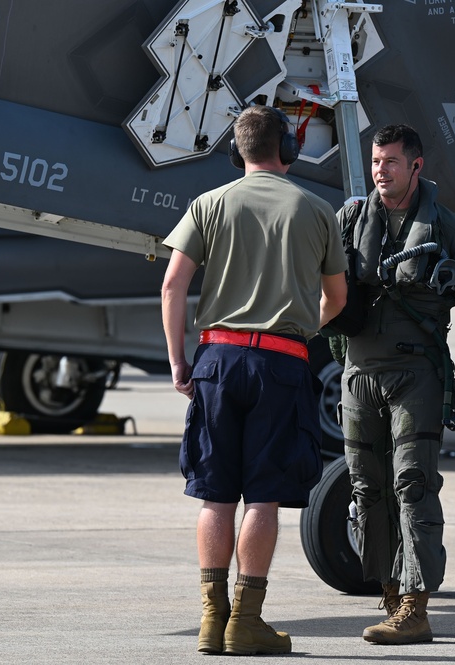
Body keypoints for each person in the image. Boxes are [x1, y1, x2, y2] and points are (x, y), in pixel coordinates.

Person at [161, 105, 348, 656]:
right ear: (287, 149)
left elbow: (174, 286)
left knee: (214, 497)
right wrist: (293, 329)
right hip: (281, 364)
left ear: (237, 151)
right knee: (263, 499)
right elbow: (337, 299)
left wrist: (179, 361)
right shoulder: (317, 210)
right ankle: (246, 621)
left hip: (217, 361)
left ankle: (210, 621)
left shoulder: (209, 204)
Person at [335, 123, 455, 645]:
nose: (381, 171)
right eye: (376, 162)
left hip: (415, 372)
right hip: (358, 375)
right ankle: (391, 593)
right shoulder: (350, 220)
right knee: (365, 488)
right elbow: (317, 282)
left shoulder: (450, 229)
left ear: (416, 166)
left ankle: (416, 608)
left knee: (413, 486)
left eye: (391, 163)